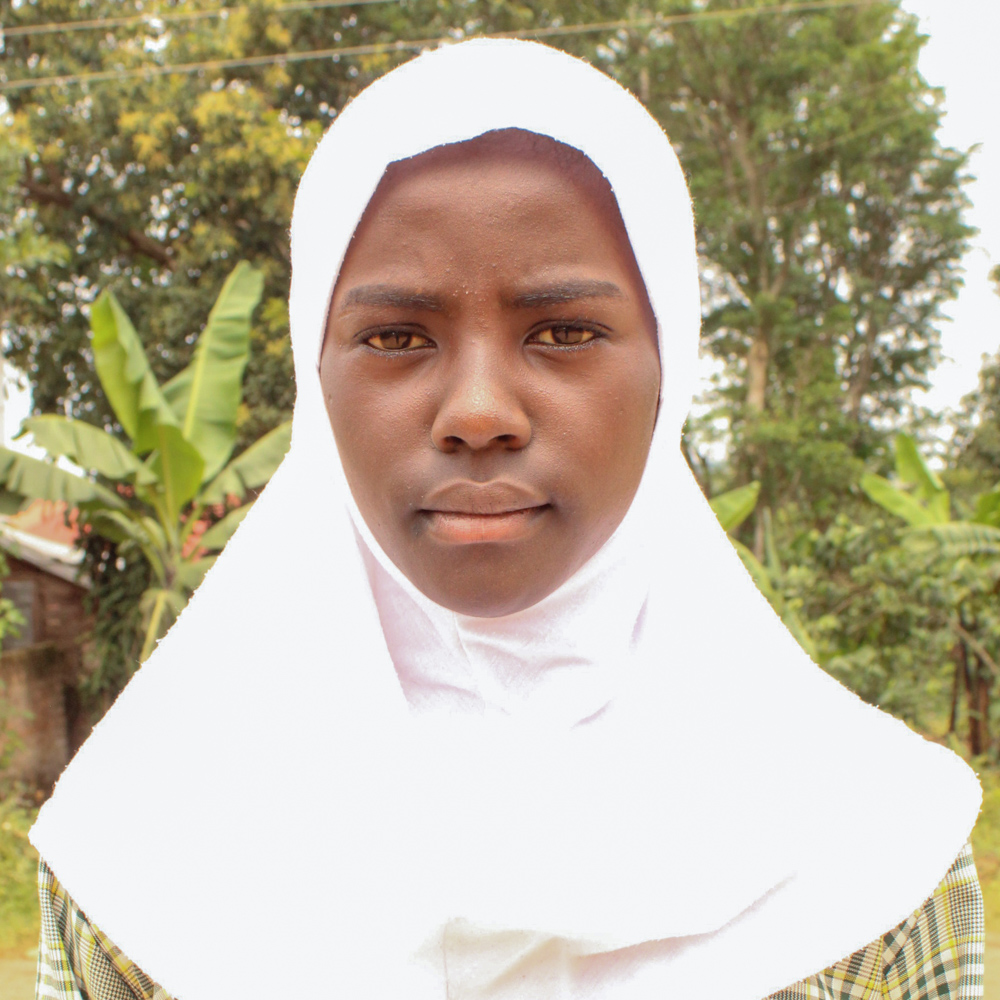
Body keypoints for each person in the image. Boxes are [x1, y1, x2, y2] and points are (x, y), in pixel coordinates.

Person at [32, 39, 983, 1000]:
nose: (478, 413)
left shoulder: (872, 865)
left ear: (671, 368)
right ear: (316, 377)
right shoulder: (139, 859)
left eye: (564, 332)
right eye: (395, 337)